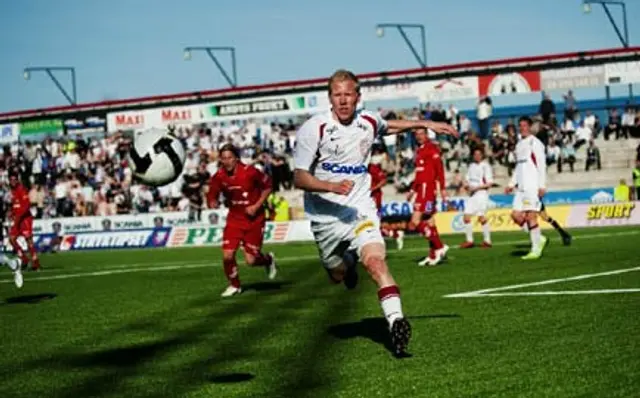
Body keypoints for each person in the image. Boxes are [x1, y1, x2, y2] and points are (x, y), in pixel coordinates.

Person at [293, 69, 457, 356]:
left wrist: (426, 123)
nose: (343, 101)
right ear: (330, 98)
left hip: (359, 210)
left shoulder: (367, 120)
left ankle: (396, 324)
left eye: (348, 94)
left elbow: (389, 126)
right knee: (337, 275)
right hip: (326, 218)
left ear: (358, 96)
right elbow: (299, 178)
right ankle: (346, 261)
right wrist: (329, 186)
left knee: (376, 263)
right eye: (337, 95)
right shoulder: (314, 128)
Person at [207, 144, 278, 297]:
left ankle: (268, 259)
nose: (227, 161)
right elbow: (212, 193)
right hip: (234, 219)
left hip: (254, 219)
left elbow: (268, 186)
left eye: (230, 158)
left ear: (236, 158)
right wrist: (212, 201)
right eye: (224, 158)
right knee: (227, 255)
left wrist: (256, 205)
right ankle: (235, 285)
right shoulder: (219, 176)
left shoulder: (250, 172)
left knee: (251, 261)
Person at [505, 116, 549, 260]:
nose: (522, 128)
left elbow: (541, 165)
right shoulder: (519, 145)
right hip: (521, 188)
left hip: (532, 186)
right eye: (520, 125)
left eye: (524, 125)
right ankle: (539, 238)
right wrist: (511, 184)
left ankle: (535, 249)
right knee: (515, 215)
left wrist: (542, 185)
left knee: (531, 216)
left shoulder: (535, 143)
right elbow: (518, 167)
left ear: (530, 127)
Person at [406, 128, 449, 266]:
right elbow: (419, 174)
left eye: (421, 134)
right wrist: (412, 190)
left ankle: (440, 246)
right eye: (417, 134)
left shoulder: (432, 148)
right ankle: (433, 255)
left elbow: (439, 170)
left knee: (415, 222)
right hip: (421, 190)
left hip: (428, 190)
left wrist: (442, 189)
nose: (419, 136)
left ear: (426, 134)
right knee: (429, 221)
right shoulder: (419, 150)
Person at [459, 148, 493, 249]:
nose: (477, 156)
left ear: (482, 155)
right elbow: (467, 178)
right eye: (475, 154)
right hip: (472, 195)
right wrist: (465, 184)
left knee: (481, 218)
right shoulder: (472, 166)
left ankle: (487, 241)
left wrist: (476, 188)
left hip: (481, 194)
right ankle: (469, 241)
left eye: (479, 154)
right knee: (466, 217)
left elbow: (489, 183)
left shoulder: (485, 166)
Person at [369, 155, 404, 250]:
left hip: (375, 199)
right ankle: (395, 234)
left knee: (374, 224)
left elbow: (383, 180)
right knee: (371, 225)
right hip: (365, 199)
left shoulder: (373, 168)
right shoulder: (360, 169)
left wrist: (372, 189)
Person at [8, 172, 40, 271]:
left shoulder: (21, 189)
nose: (13, 182)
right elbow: (15, 205)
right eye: (11, 180)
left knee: (28, 240)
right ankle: (24, 259)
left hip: (25, 219)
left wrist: (18, 216)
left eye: (14, 180)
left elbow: (26, 206)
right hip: (17, 219)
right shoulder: (12, 191)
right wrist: (11, 213)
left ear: (17, 180)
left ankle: (36, 264)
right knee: (12, 239)